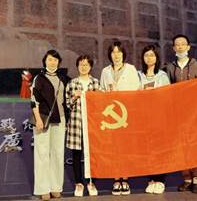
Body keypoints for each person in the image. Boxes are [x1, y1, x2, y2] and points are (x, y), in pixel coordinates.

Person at [165, 34, 197, 194]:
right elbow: (168, 88)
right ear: (174, 48)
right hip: (178, 112)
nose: (180, 47)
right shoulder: (170, 67)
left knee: (195, 144)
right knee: (181, 145)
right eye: (177, 44)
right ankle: (187, 178)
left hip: (194, 112)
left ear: (188, 47)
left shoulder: (196, 66)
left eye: (183, 44)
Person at [100, 40, 141, 196]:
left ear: (123, 54)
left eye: (119, 52)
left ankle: (125, 179)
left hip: (126, 114)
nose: (116, 55)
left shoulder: (131, 69)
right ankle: (116, 179)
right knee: (113, 148)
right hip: (112, 116)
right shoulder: (105, 71)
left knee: (126, 148)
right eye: (113, 52)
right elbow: (102, 91)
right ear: (110, 55)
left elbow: (136, 90)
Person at [31, 50, 68, 201]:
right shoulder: (39, 78)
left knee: (58, 154)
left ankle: (56, 187)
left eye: (55, 60)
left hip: (60, 119)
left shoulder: (63, 78)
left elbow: (66, 100)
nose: (52, 62)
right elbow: (34, 100)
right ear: (45, 61)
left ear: (59, 62)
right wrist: (38, 119)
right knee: (42, 154)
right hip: (43, 119)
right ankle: (43, 189)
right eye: (50, 59)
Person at [65, 55, 101, 197]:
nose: (83, 67)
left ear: (90, 67)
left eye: (86, 64)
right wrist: (74, 97)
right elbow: (67, 104)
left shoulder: (95, 83)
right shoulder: (72, 83)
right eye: (81, 64)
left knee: (92, 155)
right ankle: (79, 184)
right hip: (76, 124)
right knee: (76, 155)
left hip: (92, 125)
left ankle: (91, 183)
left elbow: (100, 104)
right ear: (77, 66)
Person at [138, 45, 170, 194]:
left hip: (159, 117)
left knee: (160, 149)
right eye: (146, 55)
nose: (149, 58)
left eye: (152, 55)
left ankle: (160, 180)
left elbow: (167, 95)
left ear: (157, 58)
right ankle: (151, 179)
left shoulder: (162, 76)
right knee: (147, 150)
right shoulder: (138, 75)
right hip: (143, 117)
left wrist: (154, 93)